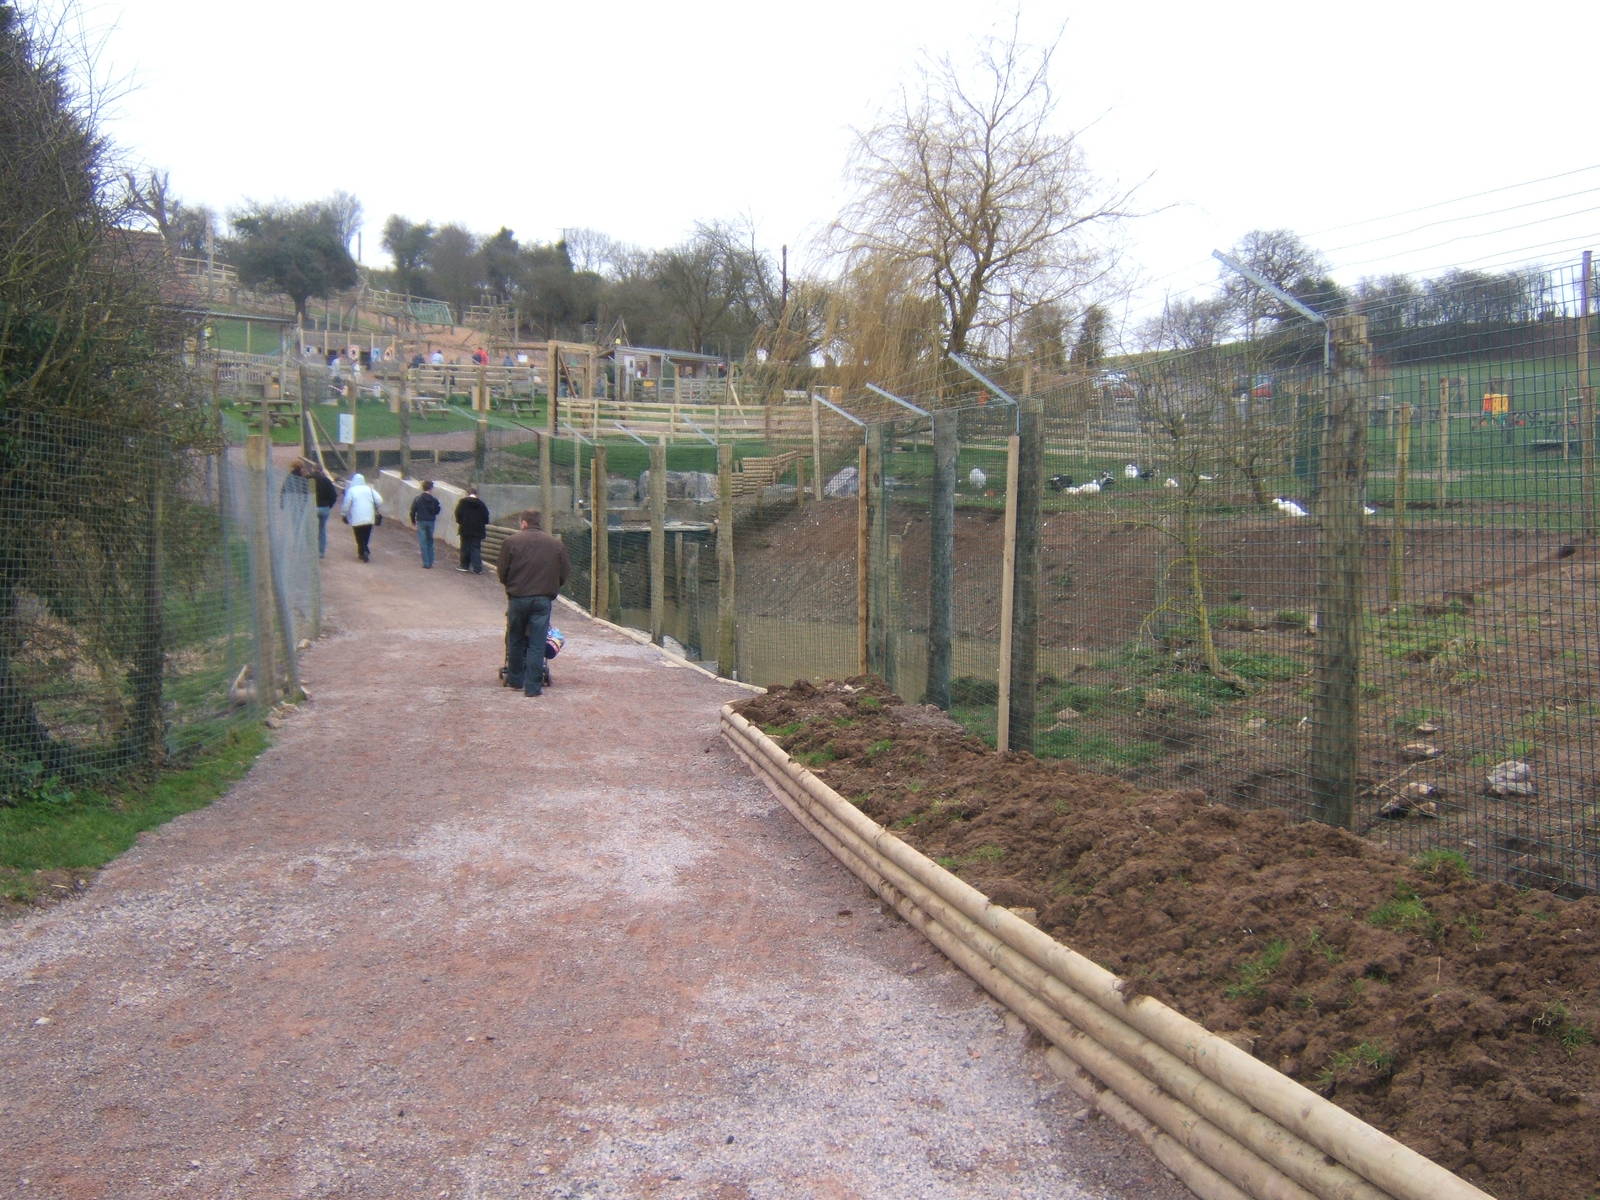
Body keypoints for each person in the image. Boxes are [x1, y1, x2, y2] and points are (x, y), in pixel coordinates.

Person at [497, 510, 568, 697]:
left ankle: (515, 679)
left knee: (515, 637)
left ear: (524, 523)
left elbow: (502, 571)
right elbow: (564, 572)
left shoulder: (510, 542)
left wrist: (510, 586)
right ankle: (533, 687)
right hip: (543, 599)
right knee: (537, 642)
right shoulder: (555, 544)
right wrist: (552, 588)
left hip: (518, 597)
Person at [340, 472, 383, 563]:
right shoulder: (369, 489)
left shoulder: (352, 490)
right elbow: (379, 500)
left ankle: (362, 551)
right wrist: (375, 507)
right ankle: (365, 549)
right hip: (369, 517)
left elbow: (346, 504)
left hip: (356, 517)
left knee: (359, 535)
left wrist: (344, 514)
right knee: (366, 534)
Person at [454, 486, 490, 574]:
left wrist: (460, 522)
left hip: (465, 528)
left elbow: (458, 514)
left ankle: (464, 566)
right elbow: (486, 518)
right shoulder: (482, 504)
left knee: (465, 547)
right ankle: (477, 568)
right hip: (478, 530)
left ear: (467, 493)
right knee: (476, 548)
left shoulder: (462, 502)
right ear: (476, 494)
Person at [409, 480, 442, 568]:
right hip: (431, 521)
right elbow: (436, 511)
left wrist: (413, 521)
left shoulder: (417, 498)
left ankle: (426, 563)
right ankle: (431, 561)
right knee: (430, 541)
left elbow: (412, 511)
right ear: (431, 488)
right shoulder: (434, 500)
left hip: (421, 521)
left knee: (423, 542)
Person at [310, 464, 339, 558]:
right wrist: (329, 505)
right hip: (324, 507)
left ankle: (310, 550)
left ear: (313, 469)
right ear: (321, 470)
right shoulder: (326, 481)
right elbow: (334, 496)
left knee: (310, 529)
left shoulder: (308, 479)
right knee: (322, 530)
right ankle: (321, 552)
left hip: (311, 507)